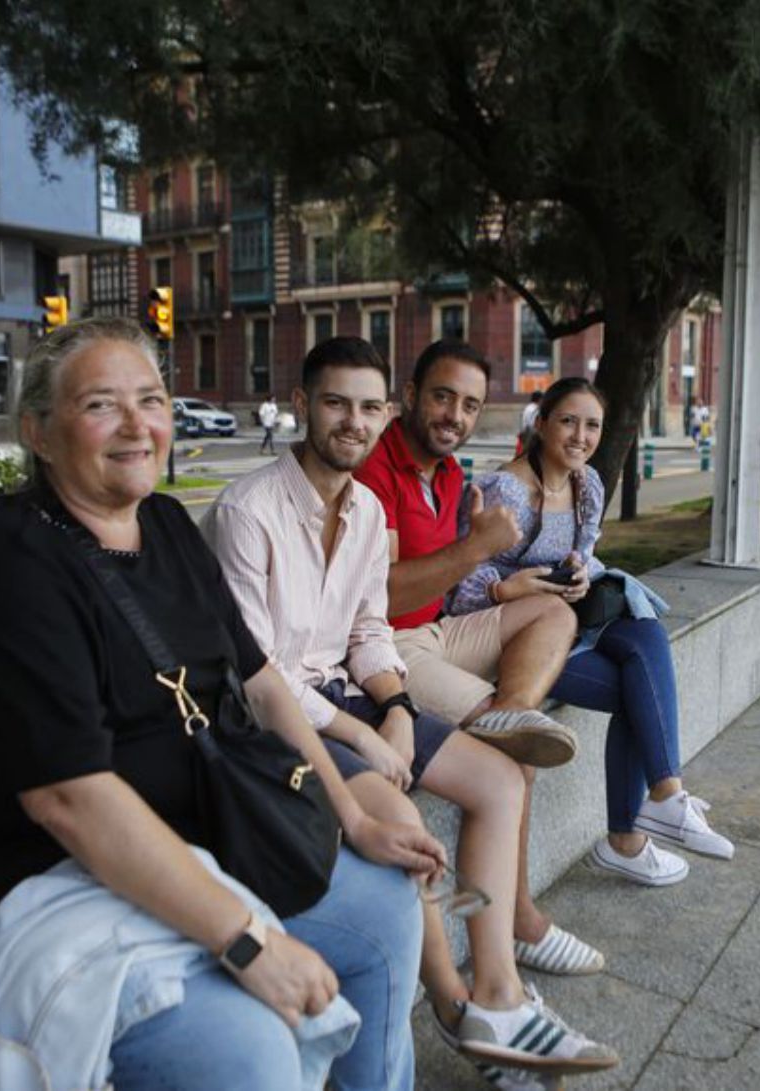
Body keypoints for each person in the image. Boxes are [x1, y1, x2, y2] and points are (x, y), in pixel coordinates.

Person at [0, 317, 446, 1091]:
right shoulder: (6, 561)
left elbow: (264, 683)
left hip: (180, 845)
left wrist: (354, 815)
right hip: (13, 898)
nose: (138, 425)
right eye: (102, 405)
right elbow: (70, 796)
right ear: (38, 433)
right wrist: (248, 942)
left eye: (152, 399)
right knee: (251, 1051)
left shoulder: (166, 527)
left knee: (384, 908)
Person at [205, 337, 617, 1081]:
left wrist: (394, 703)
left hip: (357, 691)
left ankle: (499, 990)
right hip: (281, 718)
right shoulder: (248, 511)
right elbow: (257, 672)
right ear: (301, 406)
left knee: (499, 778)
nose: (352, 422)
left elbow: (368, 629)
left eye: (367, 407)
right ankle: (456, 1007)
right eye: (335, 403)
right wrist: (366, 725)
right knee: (401, 821)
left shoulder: (363, 508)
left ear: (383, 410)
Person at [356, 339, 606, 981]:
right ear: (409, 397)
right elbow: (381, 598)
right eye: (443, 397)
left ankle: (514, 711)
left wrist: (503, 581)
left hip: (440, 631)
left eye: (469, 405)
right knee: (514, 766)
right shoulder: (375, 472)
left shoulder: (447, 474)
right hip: (385, 648)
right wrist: (479, 551)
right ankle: (518, 926)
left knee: (556, 611)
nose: (455, 416)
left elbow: (453, 589)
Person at [449, 377, 736, 886]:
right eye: (567, 421)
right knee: (637, 687)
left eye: (592, 425)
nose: (581, 435)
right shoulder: (506, 491)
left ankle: (664, 797)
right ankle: (630, 836)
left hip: (569, 624)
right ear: (541, 425)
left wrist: (582, 570)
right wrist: (508, 588)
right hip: (513, 643)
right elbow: (457, 586)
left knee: (647, 635)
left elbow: (583, 551)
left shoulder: (587, 485)